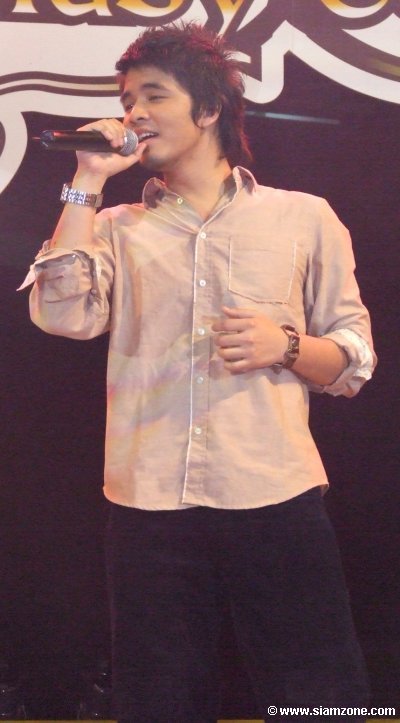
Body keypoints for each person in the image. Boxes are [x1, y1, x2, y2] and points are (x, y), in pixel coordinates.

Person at [22, 22, 376, 723]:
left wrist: (284, 346)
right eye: (128, 101)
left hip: (275, 498)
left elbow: (353, 357)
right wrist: (86, 180)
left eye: (154, 95)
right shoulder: (114, 226)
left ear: (209, 108)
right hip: (148, 507)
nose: (135, 114)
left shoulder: (303, 217)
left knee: (318, 699)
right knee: (160, 702)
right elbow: (62, 316)